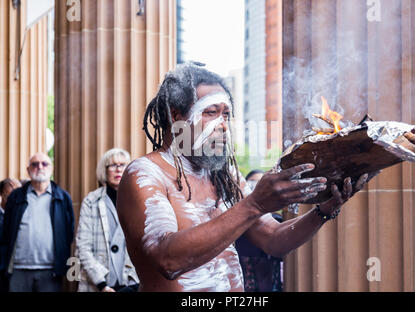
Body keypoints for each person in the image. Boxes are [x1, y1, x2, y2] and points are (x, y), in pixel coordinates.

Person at [117, 62, 376, 292]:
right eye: (211, 112)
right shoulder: (144, 173)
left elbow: (273, 239)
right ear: (176, 116)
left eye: (226, 114)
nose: (223, 124)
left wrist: (323, 211)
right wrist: (254, 204)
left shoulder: (224, 176)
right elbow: (168, 261)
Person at [1, 153, 74, 292]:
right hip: (18, 269)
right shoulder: (15, 197)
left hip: (50, 270)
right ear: (28, 170)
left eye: (44, 163)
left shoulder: (63, 198)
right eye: (34, 164)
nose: (40, 167)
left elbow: (68, 233)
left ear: (51, 169)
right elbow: (7, 231)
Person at [75, 148, 139, 292]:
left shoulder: (138, 201)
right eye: (113, 165)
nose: (118, 169)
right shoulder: (91, 201)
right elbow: (83, 247)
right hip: (98, 284)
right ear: (104, 170)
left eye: (122, 165)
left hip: (130, 284)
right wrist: (102, 284)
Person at [235, 170, 283, 292]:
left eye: (260, 184)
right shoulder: (235, 228)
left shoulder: (278, 222)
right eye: (251, 185)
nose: (257, 189)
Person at [0, 178, 22, 292]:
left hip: (19, 269)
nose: (13, 200)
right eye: (9, 196)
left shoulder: (23, 215)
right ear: (1, 195)